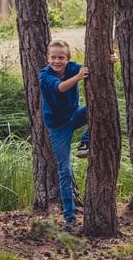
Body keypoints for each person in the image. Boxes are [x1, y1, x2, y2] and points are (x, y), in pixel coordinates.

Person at [39, 40, 90, 232]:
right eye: (54, 57)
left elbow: (89, 67)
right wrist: (78, 77)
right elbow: (60, 88)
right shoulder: (45, 75)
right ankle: (70, 217)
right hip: (58, 126)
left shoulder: (72, 68)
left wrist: (111, 59)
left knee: (100, 109)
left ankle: (85, 143)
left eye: (61, 57)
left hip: (74, 115)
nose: (57, 61)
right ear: (48, 57)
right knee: (65, 170)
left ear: (68, 59)